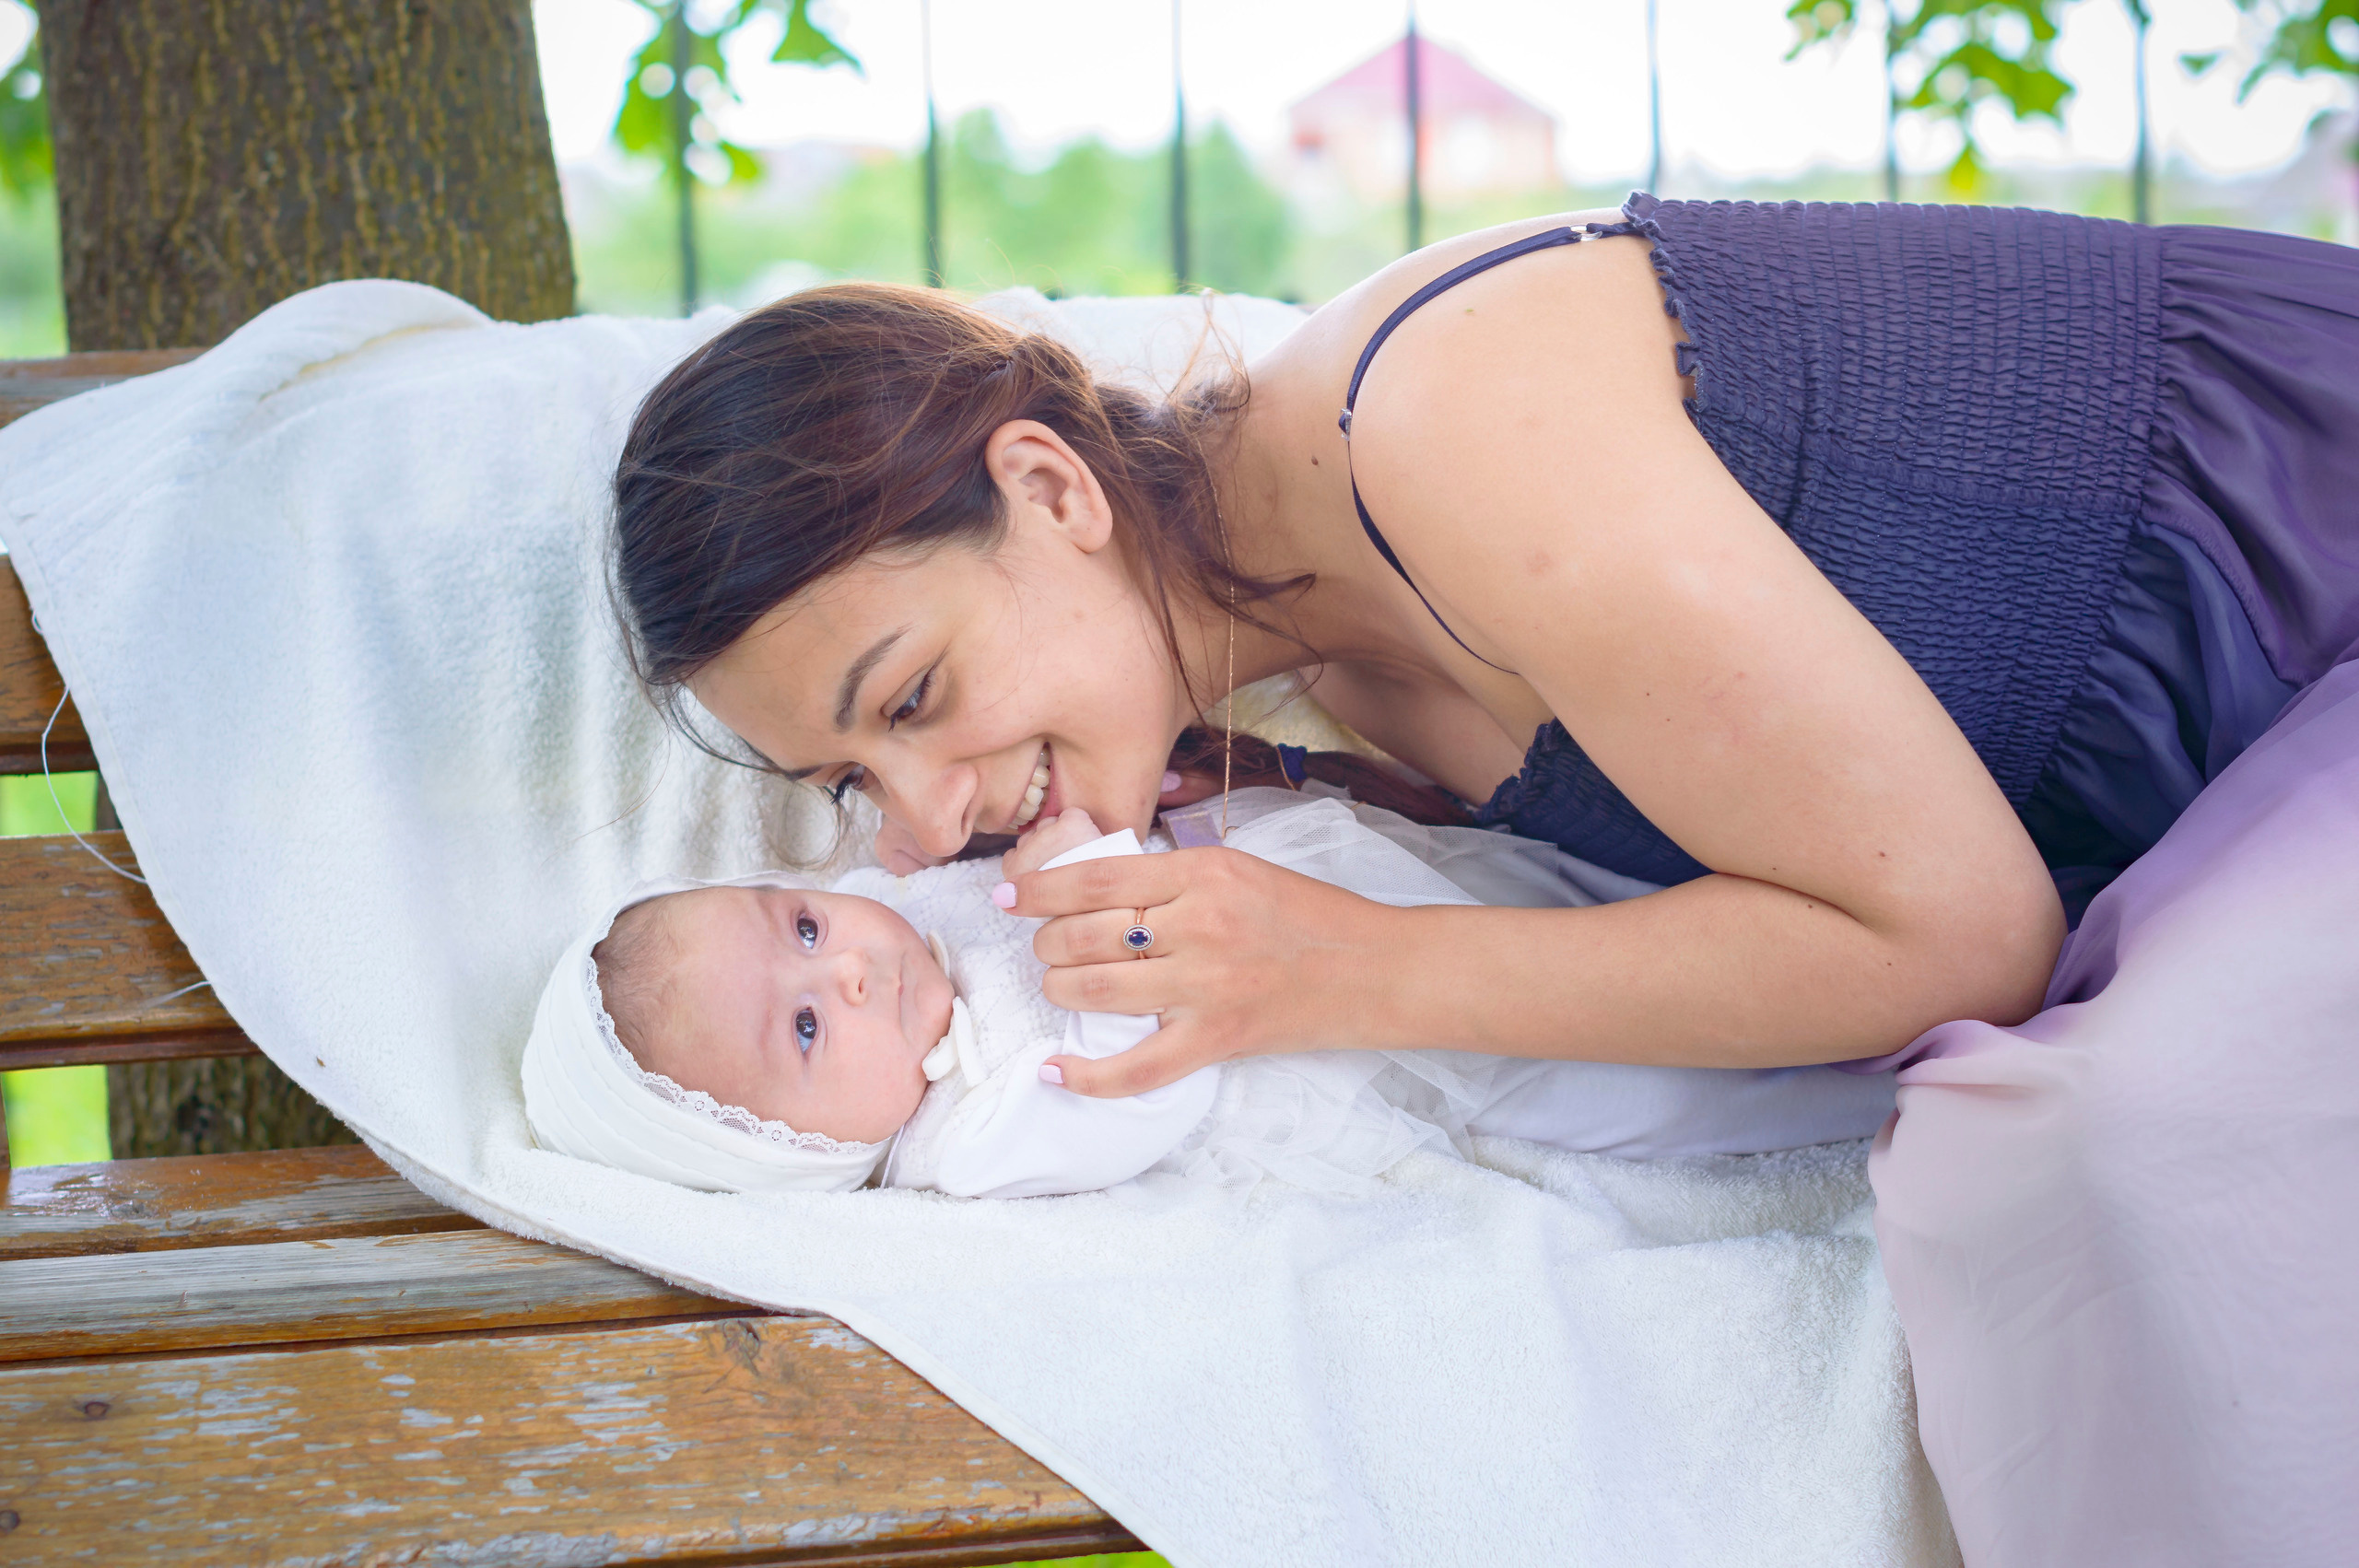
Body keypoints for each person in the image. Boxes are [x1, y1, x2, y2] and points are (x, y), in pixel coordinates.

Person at [607, 196, 2359, 1563]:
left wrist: (1342, 968)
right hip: (2212, 804)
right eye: (850, 781)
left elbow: (1964, 935)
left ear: (1050, 485)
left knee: (2109, 1154)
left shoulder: (1443, 429)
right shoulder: (1290, 705)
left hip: (2304, 588)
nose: (917, 825)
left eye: (911, 701)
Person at [522, 789, 1897, 1199]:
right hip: (1385, 1051)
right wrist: (1105, 880)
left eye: (806, 923)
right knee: (1641, 1078)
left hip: (1363, 882)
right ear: (799, 1148)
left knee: (1584, 907)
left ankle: (1864, 941)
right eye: (810, 1027)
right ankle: (1870, 1073)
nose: (853, 962)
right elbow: (1136, 1098)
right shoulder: (969, 1137)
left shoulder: (915, 927)